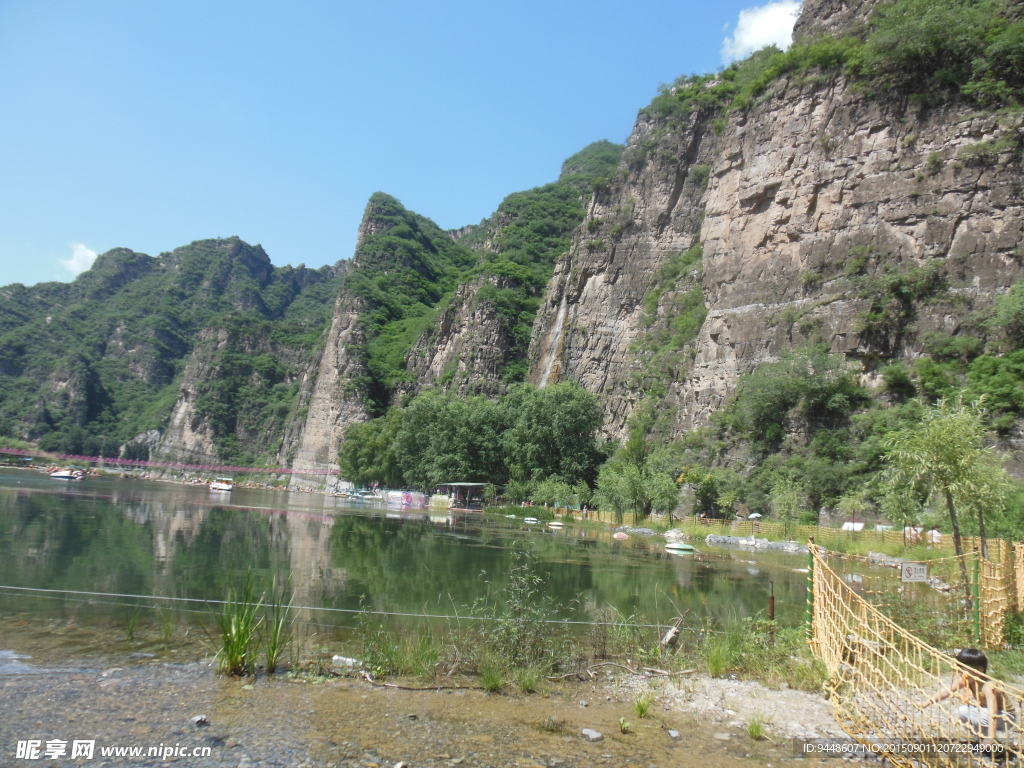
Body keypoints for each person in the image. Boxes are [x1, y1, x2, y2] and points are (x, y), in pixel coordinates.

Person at [917, 648, 1012, 741]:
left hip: (1006, 717)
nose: (959, 673)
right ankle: (985, 740)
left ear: (979, 670)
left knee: (970, 713)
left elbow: (993, 712)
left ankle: (990, 739)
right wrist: (926, 703)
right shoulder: (967, 679)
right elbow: (946, 691)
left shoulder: (988, 686)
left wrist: (991, 736)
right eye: (959, 669)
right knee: (963, 712)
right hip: (987, 713)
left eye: (962, 670)